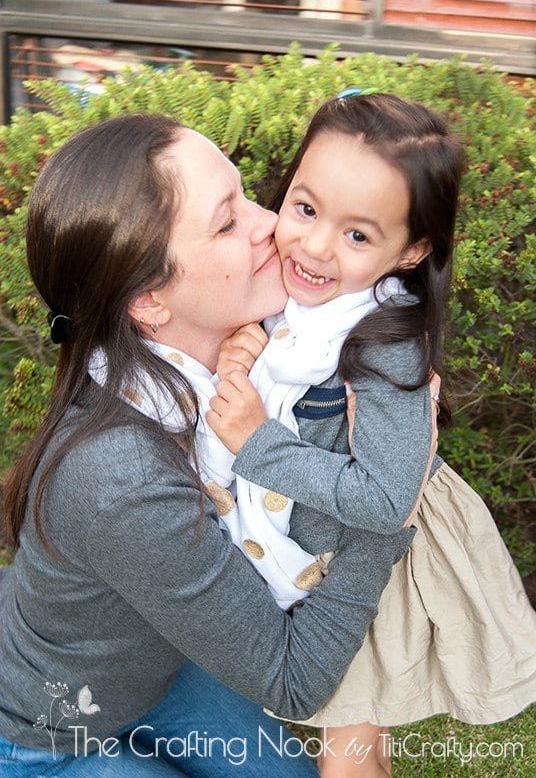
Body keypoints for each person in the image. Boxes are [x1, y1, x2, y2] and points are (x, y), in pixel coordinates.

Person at [0, 113, 416, 776]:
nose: (271, 224)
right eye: (227, 222)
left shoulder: (250, 347)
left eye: (248, 193)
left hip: (156, 660)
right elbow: (292, 678)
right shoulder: (121, 476)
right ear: (149, 301)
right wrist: (386, 516)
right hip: (50, 725)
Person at [206, 92, 536, 777]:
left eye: (359, 235)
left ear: (413, 250)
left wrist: (256, 440)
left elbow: (388, 501)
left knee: (350, 756)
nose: (318, 246)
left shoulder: (386, 343)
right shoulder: (290, 291)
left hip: (361, 559)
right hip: (310, 540)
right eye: (306, 208)